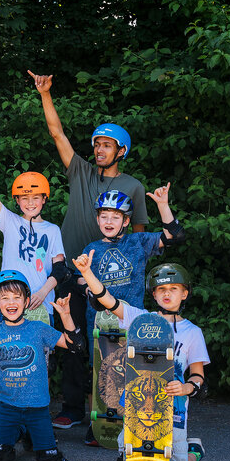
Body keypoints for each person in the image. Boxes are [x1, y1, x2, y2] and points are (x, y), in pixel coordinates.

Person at [27, 71, 149, 431]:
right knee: (75, 337)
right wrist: (46, 94)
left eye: (106, 145)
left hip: (113, 277)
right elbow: (57, 134)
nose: (99, 149)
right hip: (72, 270)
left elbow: (138, 236)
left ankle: (113, 408)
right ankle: (73, 407)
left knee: (112, 340)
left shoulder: (133, 186)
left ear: (121, 151)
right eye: (97, 143)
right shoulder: (80, 171)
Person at [73, 252, 208, 461]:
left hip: (173, 410)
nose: (167, 294)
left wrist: (187, 388)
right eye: (161, 289)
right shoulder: (140, 320)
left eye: (173, 289)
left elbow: (198, 376)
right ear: (153, 294)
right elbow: (108, 300)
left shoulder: (193, 332)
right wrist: (86, 273)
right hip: (137, 408)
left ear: (184, 293)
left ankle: (194, 450)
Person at [77, 185, 185, 445]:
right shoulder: (92, 247)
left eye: (115, 217)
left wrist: (162, 205)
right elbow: (82, 282)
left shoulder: (139, 241)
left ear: (126, 221)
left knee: (133, 373)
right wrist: (87, 289)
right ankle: (99, 424)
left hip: (132, 321)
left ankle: (133, 421)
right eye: (104, 216)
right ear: (97, 219)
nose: (109, 221)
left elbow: (175, 237)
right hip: (100, 323)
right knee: (101, 372)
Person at [0, 270, 84, 461]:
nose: (11, 303)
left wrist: (65, 315)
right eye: (4, 298)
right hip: (7, 407)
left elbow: (76, 345)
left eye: (16, 297)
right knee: (0, 457)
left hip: (37, 408)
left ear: (27, 300)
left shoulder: (38, 328)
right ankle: (21, 431)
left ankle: (32, 431)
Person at [0, 132, 66, 320]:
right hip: (10, 303)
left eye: (35, 198)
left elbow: (60, 269)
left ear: (44, 200)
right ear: (17, 200)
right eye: (25, 198)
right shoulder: (10, 221)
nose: (30, 203)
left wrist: (42, 292)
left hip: (41, 304)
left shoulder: (52, 230)